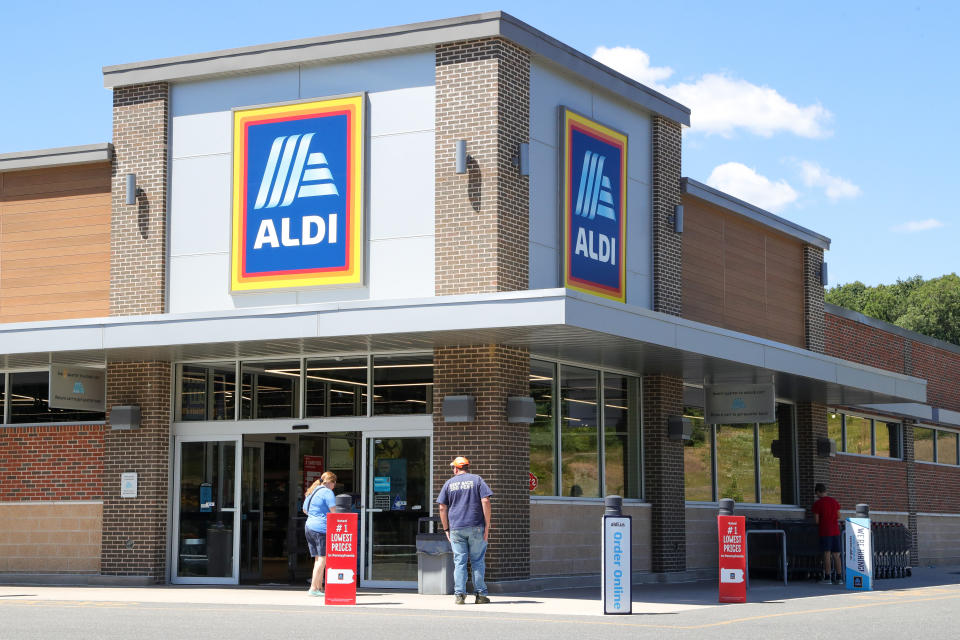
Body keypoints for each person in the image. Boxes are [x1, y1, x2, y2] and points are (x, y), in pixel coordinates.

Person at [437, 456, 493, 605]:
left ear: (456, 468)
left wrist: (446, 529)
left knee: (460, 562)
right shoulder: (477, 480)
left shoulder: (449, 483)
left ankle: (460, 595)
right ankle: (480, 595)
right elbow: (486, 501)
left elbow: (442, 507)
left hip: (456, 527)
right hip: (476, 526)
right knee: (477, 561)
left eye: (453, 468)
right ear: (467, 467)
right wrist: (487, 526)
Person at [303, 471, 337, 596]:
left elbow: (305, 510)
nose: (334, 486)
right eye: (334, 483)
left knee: (318, 559)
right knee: (323, 559)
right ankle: (313, 588)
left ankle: (318, 587)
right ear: (331, 482)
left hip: (309, 526)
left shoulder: (313, 491)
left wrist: (316, 514)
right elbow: (334, 512)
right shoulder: (328, 492)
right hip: (321, 528)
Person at [811, 482, 843, 584]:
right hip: (835, 531)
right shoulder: (834, 501)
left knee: (826, 554)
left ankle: (828, 577)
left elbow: (816, 521)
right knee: (837, 555)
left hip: (825, 531)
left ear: (818, 492)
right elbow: (839, 516)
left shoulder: (818, 504)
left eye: (816, 494)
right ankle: (839, 578)